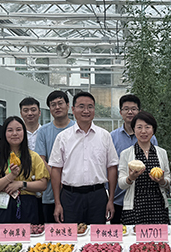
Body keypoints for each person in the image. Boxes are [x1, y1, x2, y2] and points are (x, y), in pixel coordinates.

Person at [49, 92, 119, 224]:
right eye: (81, 106)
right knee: (71, 234)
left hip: (98, 196)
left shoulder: (104, 136)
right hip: (70, 197)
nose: (86, 111)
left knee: (97, 235)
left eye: (90, 107)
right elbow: (56, 170)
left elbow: (112, 168)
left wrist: (111, 200)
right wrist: (57, 203)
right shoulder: (63, 137)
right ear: (73, 109)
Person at [0, 117, 49, 224]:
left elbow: (43, 184)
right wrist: (10, 177)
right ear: (4, 133)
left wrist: (21, 184)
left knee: (29, 234)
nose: (15, 133)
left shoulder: (34, 157)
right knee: (4, 234)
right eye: (10, 130)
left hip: (28, 203)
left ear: (24, 132)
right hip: (4, 202)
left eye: (19, 130)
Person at [117, 112, 171, 225]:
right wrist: (130, 178)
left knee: (159, 236)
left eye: (147, 127)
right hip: (135, 207)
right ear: (134, 129)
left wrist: (162, 181)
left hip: (158, 206)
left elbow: (168, 181)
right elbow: (121, 184)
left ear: (153, 130)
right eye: (139, 127)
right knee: (135, 236)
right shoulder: (126, 154)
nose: (143, 131)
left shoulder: (161, 153)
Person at [110, 94, 157, 223]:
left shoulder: (150, 138)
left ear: (139, 112)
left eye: (133, 109)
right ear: (120, 112)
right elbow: (110, 167)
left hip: (145, 200)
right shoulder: (112, 137)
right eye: (126, 109)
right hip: (119, 198)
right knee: (120, 233)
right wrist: (110, 197)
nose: (130, 112)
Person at [35, 90, 75, 223]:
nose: (57, 107)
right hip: (50, 192)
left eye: (60, 103)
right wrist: (58, 178)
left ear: (68, 105)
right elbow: (41, 159)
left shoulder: (77, 128)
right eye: (53, 105)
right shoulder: (43, 131)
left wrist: (66, 178)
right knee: (51, 230)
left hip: (74, 190)